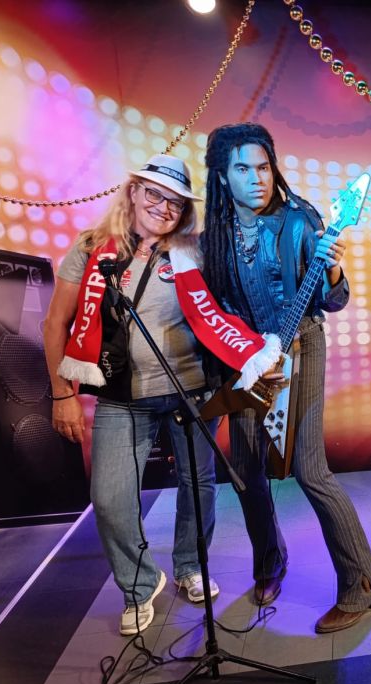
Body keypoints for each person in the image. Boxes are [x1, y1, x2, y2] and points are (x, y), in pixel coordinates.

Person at [44, 154, 281, 635]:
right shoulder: (91, 248)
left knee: (198, 486)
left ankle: (190, 566)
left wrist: (255, 357)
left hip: (192, 392)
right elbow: (55, 324)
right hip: (122, 396)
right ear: (133, 192)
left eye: (175, 201)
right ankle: (140, 583)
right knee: (109, 498)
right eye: (153, 193)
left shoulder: (195, 252)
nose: (163, 206)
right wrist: (60, 393)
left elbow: (225, 313)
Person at [200, 122, 371, 633]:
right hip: (244, 359)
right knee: (245, 470)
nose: (257, 178)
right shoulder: (213, 237)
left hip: (301, 345)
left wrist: (332, 269)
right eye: (243, 169)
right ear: (223, 176)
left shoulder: (301, 221)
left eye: (263, 167)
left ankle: (363, 584)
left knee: (310, 470)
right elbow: (215, 310)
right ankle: (269, 562)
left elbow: (333, 300)